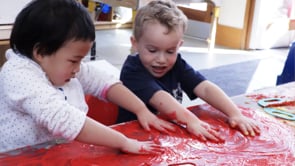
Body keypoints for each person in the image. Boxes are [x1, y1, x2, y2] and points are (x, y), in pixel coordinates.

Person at [0, 0, 175, 153]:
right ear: (41, 52)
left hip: (60, 151)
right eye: (74, 60)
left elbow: (103, 82)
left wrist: (141, 109)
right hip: (19, 158)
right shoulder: (19, 75)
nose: (78, 69)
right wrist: (124, 141)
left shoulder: (58, 65)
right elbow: (63, 119)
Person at [118, 0, 261, 142]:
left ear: (179, 45)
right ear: (135, 43)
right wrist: (191, 120)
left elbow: (204, 88)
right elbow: (160, 98)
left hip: (166, 135)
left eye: (170, 51)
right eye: (152, 50)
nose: (161, 59)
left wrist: (235, 114)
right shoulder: (132, 70)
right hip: (134, 136)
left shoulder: (176, 63)